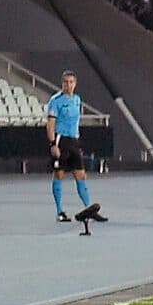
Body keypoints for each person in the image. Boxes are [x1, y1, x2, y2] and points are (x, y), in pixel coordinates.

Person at [45, 71, 103, 224]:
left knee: (81, 175)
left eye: (71, 82)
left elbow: (75, 122)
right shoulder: (56, 101)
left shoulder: (77, 100)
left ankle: (89, 209)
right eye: (66, 82)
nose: (68, 85)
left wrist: (77, 140)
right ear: (62, 83)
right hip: (61, 140)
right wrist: (53, 144)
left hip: (73, 141)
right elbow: (50, 124)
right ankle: (60, 212)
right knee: (59, 174)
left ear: (75, 84)